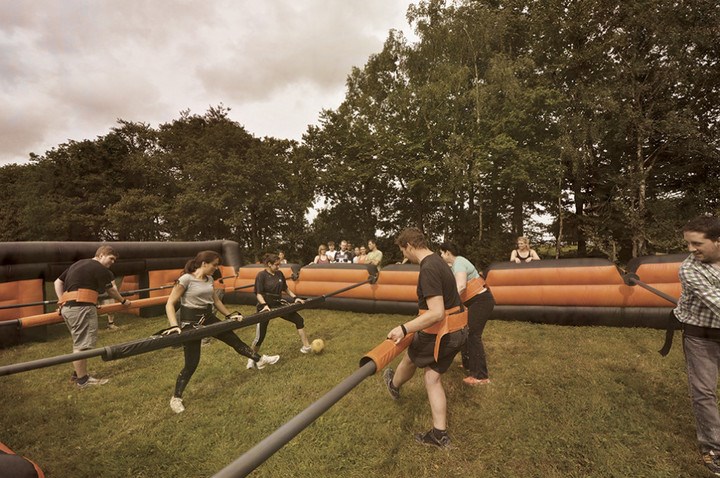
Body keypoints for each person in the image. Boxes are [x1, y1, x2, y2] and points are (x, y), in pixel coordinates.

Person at [163, 251, 279, 414]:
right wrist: (174, 326)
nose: (216, 268)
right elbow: (170, 303)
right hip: (190, 323)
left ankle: (259, 359)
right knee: (192, 363)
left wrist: (229, 315)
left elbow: (216, 301)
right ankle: (176, 398)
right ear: (204, 263)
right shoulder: (186, 279)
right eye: (214, 265)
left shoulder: (209, 279)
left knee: (233, 339)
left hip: (208, 317)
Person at [383, 228, 468, 449]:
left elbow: (436, 313)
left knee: (411, 357)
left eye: (403, 250)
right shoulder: (439, 262)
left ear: (409, 246)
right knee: (432, 378)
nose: (404, 256)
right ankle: (440, 435)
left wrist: (404, 328)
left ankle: (393, 385)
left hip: (443, 333)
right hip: (459, 331)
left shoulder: (429, 268)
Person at [673, 216, 720, 475]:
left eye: (697, 243)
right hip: (700, 335)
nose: (691, 249)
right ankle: (714, 448)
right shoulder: (689, 269)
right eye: (688, 244)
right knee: (704, 392)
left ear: (717, 241)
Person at [54, 245, 132, 388]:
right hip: (81, 308)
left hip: (69, 308)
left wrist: (61, 301)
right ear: (101, 255)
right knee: (82, 345)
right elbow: (111, 291)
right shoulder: (101, 269)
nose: (113, 262)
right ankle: (83, 380)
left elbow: (58, 282)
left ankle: (77, 374)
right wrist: (124, 301)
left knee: (79, 342)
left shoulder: (78, 263)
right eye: (111, 258)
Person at [439, 241, 495, 386]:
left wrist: (449, 302)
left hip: (481, 301)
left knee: (473, 335)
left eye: (441, 253)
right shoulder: (453, 266)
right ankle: (469, 364)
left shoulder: (459, 262)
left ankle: (481, 376)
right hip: (473, 302)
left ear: (447, 253)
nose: (441, 256)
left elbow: (462, 285)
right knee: (465, 330)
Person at [249, 253, 312, 368]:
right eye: (276, 265)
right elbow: (258, 294)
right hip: (265, 306)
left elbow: (286, 288)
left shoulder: (279, 274)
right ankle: (251, 358)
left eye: (279, 264)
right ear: (269, 264)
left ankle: (306, 346)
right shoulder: (261, 275)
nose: (279, 267)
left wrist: (295, 298)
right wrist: (264, 305)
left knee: (298, 319)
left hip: (277, 303)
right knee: (260, 336)